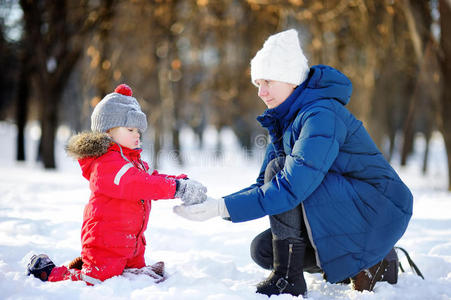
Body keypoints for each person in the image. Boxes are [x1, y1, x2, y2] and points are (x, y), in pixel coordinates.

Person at [174, 29, 413, 297]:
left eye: (268, 82)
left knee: (282, 174)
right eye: (257, 84)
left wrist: (221, 208)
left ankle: (295, 276)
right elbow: (262, 184)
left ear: (291, 79)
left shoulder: (320, 115)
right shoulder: (286, 119)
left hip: (378, 209)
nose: (262, 92)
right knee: (264, 250)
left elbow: (289, 186)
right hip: (346, 206)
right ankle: (360, 262)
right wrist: (219, 205)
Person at [26, 84, 207, 285]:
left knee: (135, 276)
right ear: (108, 133)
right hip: (106, 242)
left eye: (138, 130)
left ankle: (134, 270)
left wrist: (180, 181)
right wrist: (176, 188)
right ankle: (49, 273)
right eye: (130, 129)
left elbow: (152, 177)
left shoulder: (132, 160)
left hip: (132, 242)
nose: (137, 134)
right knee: (95, 279)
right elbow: (139, 184)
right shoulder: (106, 163)